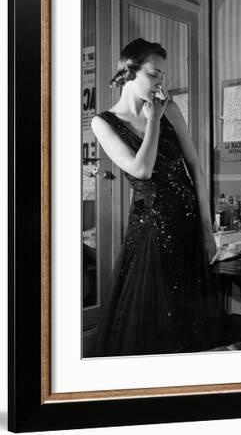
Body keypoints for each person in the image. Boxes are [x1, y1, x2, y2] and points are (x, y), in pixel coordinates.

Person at [90, 38, 220, 356]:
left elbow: (196, 169)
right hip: (152, 231)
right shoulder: (103, 123)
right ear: (129, 71)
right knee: (152, 326)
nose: (160, 82)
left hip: (188, 227)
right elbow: (142, 169)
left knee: (189, 323)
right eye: (154, 74)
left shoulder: (170, 109)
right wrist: (152, 121)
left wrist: (206, 229)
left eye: (162, 75)